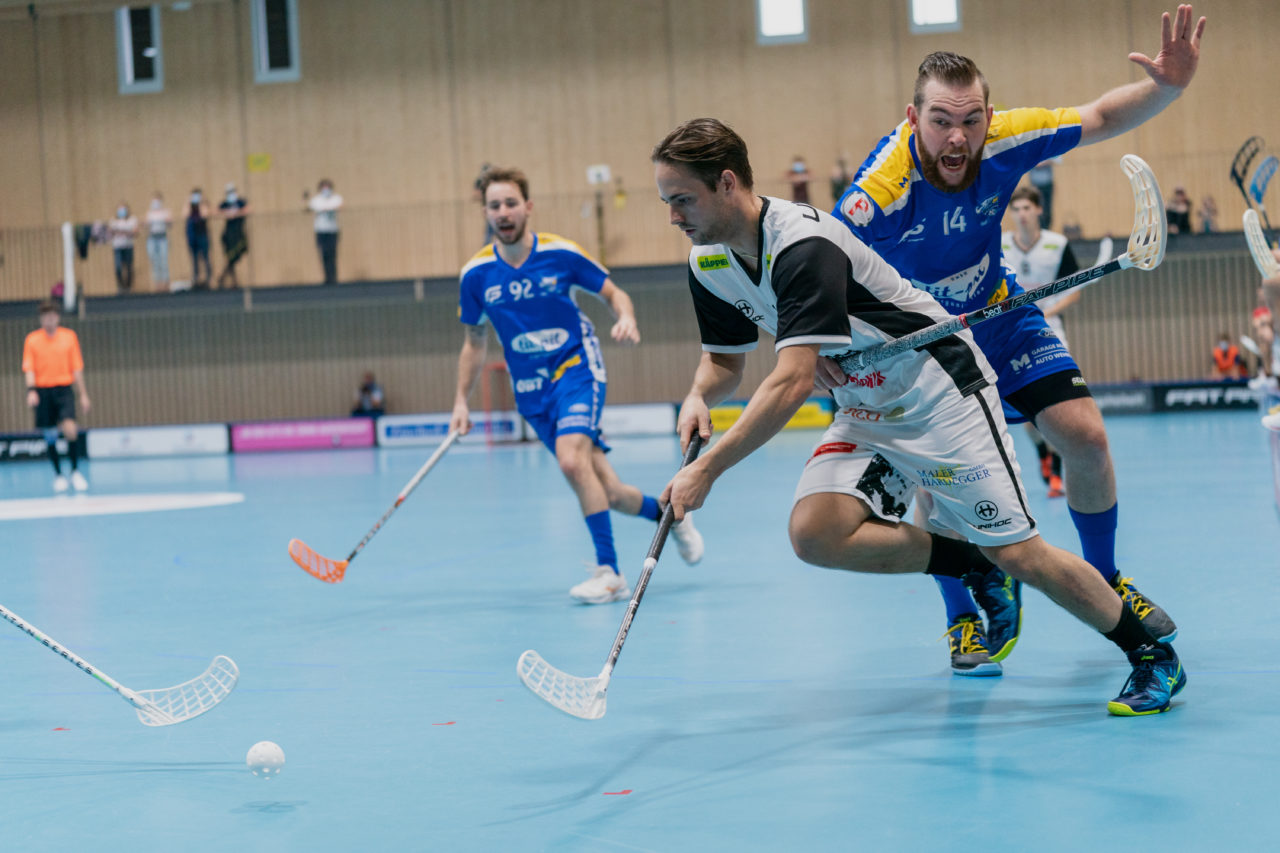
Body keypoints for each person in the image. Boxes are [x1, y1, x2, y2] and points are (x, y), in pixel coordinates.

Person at [652, 117, 1184, 714]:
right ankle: (976, 567)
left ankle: (1150, 656)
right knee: (816, 533)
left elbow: (793, 379)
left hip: (938, 390)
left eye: (681, 200)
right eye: (667, 201)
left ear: (726, 183)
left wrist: (708, 469)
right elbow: (724, 359)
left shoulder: (802, 244)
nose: (673, 216)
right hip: (865, 402)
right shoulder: (711, 262)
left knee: (1021, 552)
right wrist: (699, 394)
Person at [832, 7, 1203, 672]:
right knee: (937, 489)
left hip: (1001, 320)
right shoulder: (878, 193)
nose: (958, 137)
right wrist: (821, 352)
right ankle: (962, 616)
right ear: (913, 117)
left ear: (988, 116)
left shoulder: (1004, 140)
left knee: (1085, 437)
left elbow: (1099, 117)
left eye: (971, 121)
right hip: (926, 351)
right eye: (941, 120)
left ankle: (1106, 578)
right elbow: (814, 275)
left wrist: (1167, 87)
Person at [450, 166, 704, 604]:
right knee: (609, 491)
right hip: (531, 390)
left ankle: (610, 574)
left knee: (571, 462)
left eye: (511, 203)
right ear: (487, 213)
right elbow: (474, 342)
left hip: (576, 366)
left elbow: (613, 293)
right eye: (494, 206)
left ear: (527, 207)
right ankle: (670, 515)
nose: (503, 212)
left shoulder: (559, 254)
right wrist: (460, 402)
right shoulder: (476, 276)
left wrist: (625, 317)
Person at [1001, 186, 1081, 498]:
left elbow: (1074, 290)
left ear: (1038, 210)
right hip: (1013, 331)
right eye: (1016, 209)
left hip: (1051, 329)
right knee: (1028, 413)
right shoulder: (1001, 244)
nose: (1021, 215)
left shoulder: (1057, 245)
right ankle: (1043, 456)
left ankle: (1057, 471)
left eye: (1026, 208)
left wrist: (1047, 311)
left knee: (1057, 405)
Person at [23, 300, 91, 493]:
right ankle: (59, 475)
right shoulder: (32, 340)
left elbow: (77, 368)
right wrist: (31, 391)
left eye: (52, 316)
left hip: (64, 389)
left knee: (70, 429)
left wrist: (83, 395)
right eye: (45, 317)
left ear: (57, 317)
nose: (49, 320)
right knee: (50, 434)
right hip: (43, 391)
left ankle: (76, 471)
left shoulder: (69, 337)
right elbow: (29, 368)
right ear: (41, 319)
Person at [305, 179, 343, 284]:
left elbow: (339, 206)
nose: (326, 190)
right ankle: (327, 278)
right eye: (323, 187)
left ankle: (333, 277)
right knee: (324, 254)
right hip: (321, 230)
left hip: (332, 230)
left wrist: (325, 208)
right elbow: (311, 208)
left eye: (327, 187)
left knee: (332, 254)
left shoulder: (336, 198)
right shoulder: (316, 200)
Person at [216, 183, 250, 290]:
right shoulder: (225, 204)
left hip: (239, 233)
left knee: (235, 257)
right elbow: (216, 210)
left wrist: (237, 213)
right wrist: (227, 213)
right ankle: (231, 280)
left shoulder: (240, 202)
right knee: (231, 259)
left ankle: (224, 277)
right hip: (229, 235)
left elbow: (248, 209)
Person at [144, 191, 173, 293]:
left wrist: (167, 220)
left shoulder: (165, 212)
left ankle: (166, 284)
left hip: (162, 238)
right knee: (155, 262)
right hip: (152, 238)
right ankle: (158, 285)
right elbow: (146, 226)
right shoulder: (149, 213)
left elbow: (170, 224)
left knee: (163, 261)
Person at [108, 202, 139, 293]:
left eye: (123, 209)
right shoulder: (114, 220)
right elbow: (110, 231)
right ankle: (121, 287)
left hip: (128, 246)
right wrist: (125, 231)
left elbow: (134, 232)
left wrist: (121, 231)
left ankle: (128, 287)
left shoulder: (132, 220)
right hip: (117, 247)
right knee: (118, 267)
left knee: (129, 267)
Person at [185, 188, 212, 290]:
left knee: (205, 258)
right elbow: (185, 214)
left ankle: (208, 279)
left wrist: (201, 202)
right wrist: (188, 202)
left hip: (202, 235)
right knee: (194, 259)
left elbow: (204, 214)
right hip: (192, 236)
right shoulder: (190, 206)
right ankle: (195, 279)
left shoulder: (204, 205)